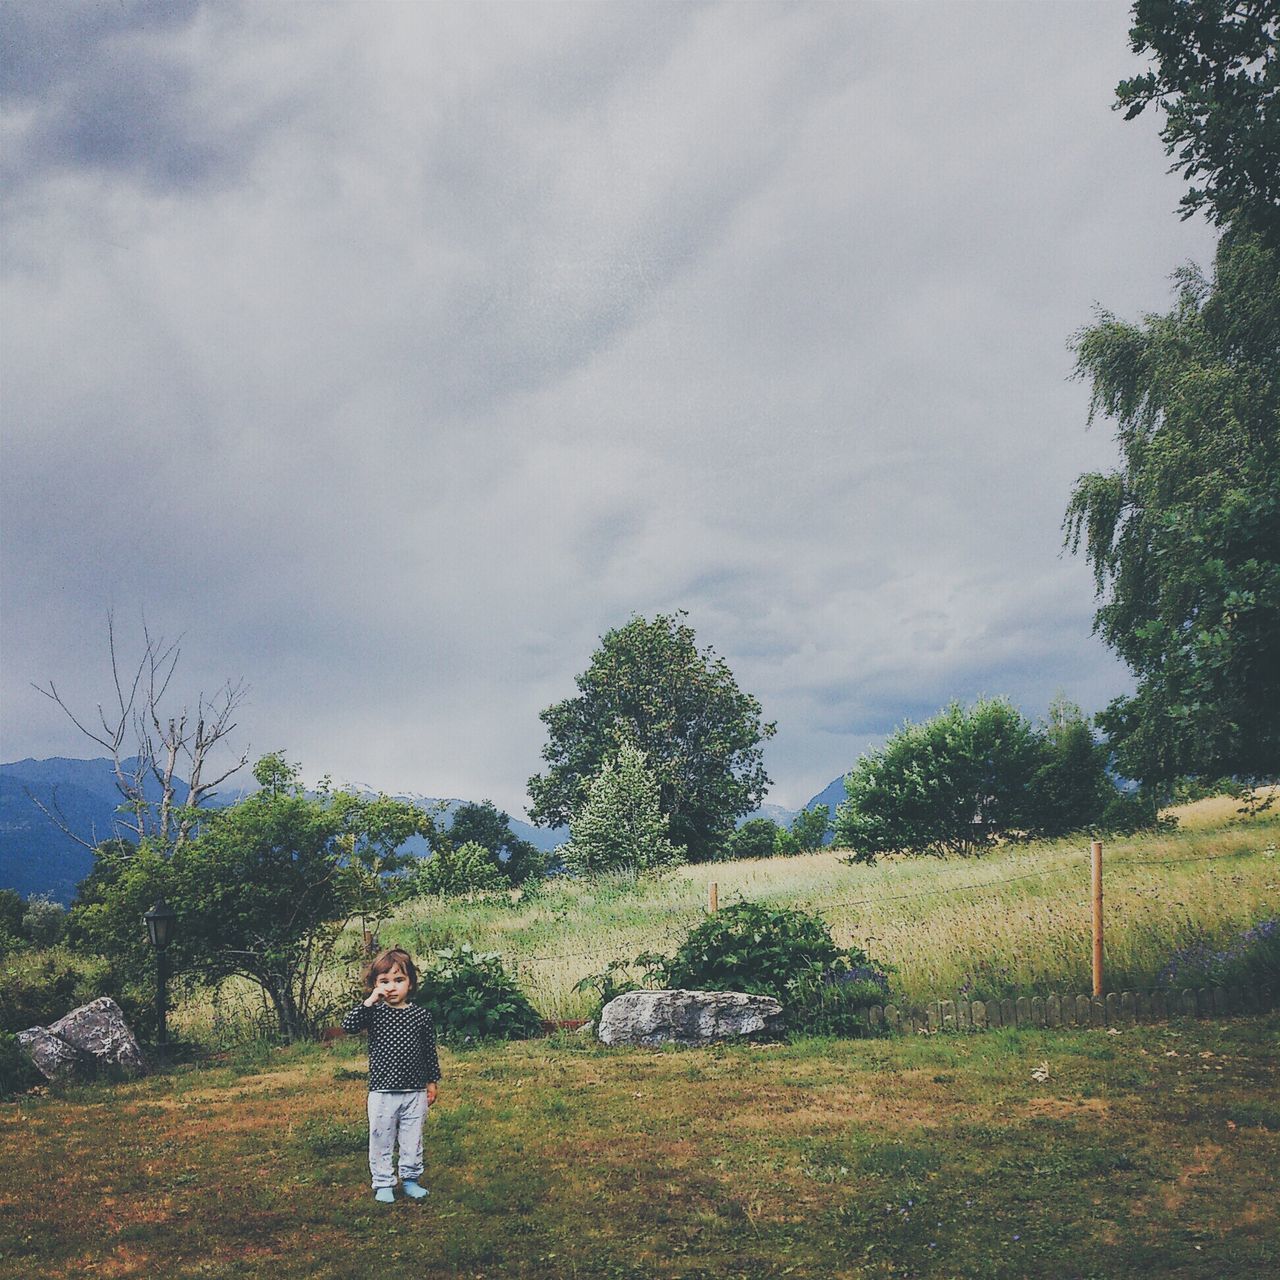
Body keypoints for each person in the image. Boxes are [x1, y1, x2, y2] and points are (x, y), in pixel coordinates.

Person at [341, 947, 441, 1203]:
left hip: (415, 1090)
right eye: (384, 981)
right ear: (374, 985)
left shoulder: (421, 1016)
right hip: (383, 1091)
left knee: (412, 1138)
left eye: (399, 980)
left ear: (410, 983)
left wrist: (432, 1082)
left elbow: (429, 1051)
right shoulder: (373, 1013)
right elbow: (349, 1026)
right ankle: (384, 1182)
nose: (392, 987)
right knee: (381, 1137)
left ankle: (410, 1178)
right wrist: (370, 1001)